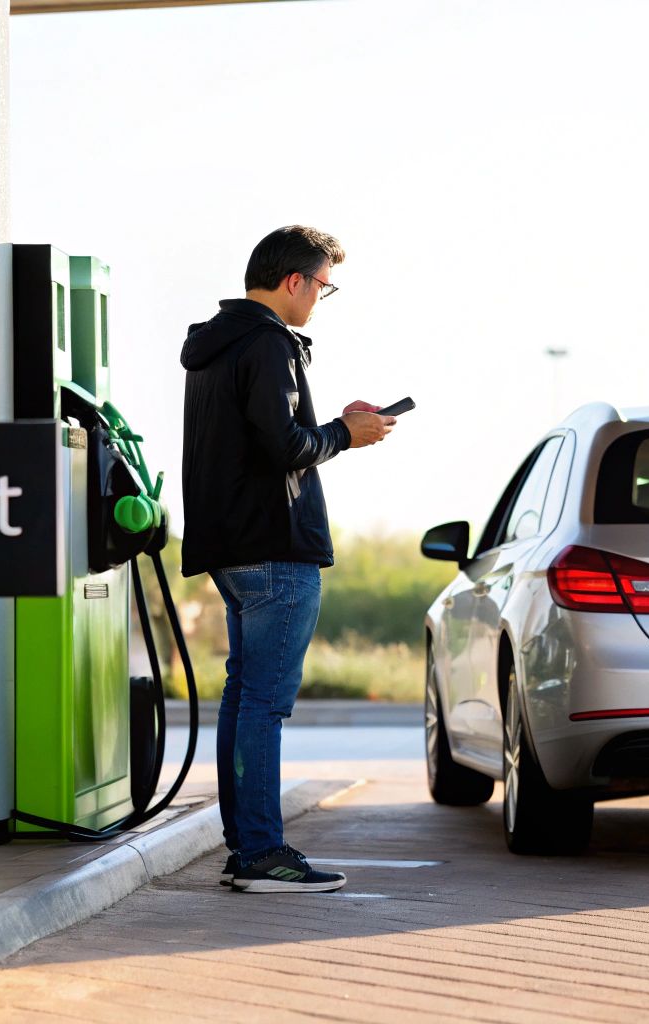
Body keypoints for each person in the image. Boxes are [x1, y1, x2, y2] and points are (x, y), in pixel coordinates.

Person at [178, 225, 395, 893]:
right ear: (295, 280)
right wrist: (345, 435)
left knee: (244, 698)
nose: (320, 301)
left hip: (229, 546)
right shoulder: (270, 343)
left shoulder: (217, 344)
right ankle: (262, 854)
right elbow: (284, 448)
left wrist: (330, 426)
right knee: (263, 704)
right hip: (274, 549)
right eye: (323, 287)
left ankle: (246, 846)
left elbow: (264, 438)